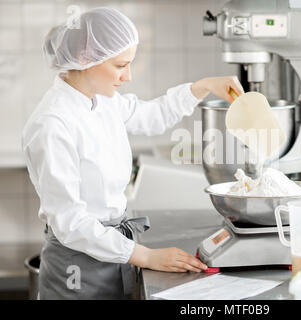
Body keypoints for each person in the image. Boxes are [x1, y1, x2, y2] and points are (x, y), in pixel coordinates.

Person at [22, 7, 244, 300]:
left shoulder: (101, 101)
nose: (127, 76)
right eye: (119, 65)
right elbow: (71, 223)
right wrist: (146, 256)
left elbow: (154, 115)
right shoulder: (52, 124)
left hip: (116, 252)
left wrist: (202, 87)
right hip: (77, 267)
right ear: (86, 58)